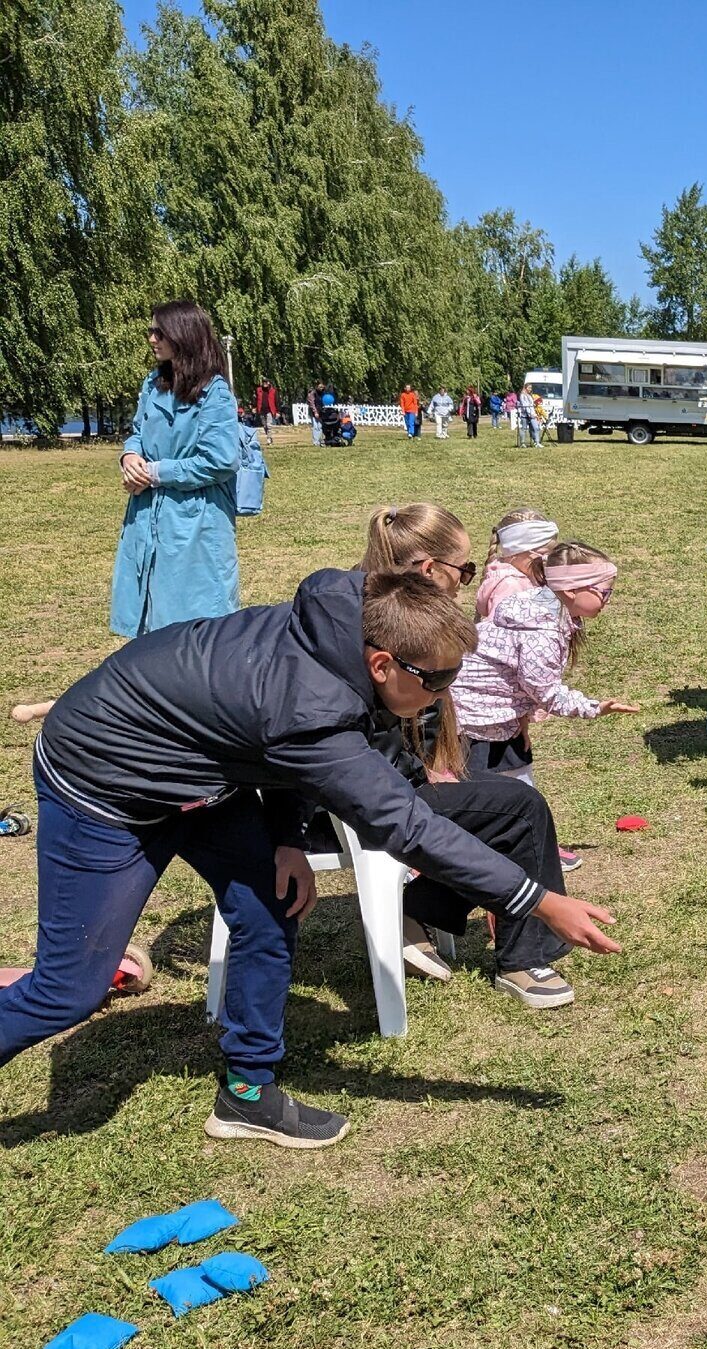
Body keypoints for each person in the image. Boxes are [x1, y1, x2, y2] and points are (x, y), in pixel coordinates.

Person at [2, 567, 619, 1147]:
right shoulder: (313, 712)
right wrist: (537, 899)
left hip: (207, 772)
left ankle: (247, 1093)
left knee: (273, 906)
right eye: (434, 681)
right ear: (382, 663)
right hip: (105, 787)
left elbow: (276, 741)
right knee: (67, 991)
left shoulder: (358, 610)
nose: (442, 695)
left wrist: (287, 837)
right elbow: (404, 824)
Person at [359, 505, 596, 1008]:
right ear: (429, 570)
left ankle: (417, 909)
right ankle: (524, 956)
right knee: (520, 809)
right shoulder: (401, 625)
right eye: (466, 571)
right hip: (368, 789)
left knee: (493, 806)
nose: (471, 584)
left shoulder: (356, 604)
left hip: (368, 779)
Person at [450, 539, 639, 793]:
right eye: (604, 592)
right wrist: (594, 707)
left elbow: (515, 679)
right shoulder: (543, 632)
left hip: (486, 717)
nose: (608, 599)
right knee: (493, 800)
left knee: (516, 793)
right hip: (474, 722)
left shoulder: (537, 606)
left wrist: (521, 720)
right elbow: (545, 692)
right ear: (571, 590)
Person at [113, 300, 242, 639]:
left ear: (182, 335)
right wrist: (129, 458)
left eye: (159, 331)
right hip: (147, 515)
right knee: (152, 620)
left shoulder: (214, 393)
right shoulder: (153, 383)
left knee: (198, 626)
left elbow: (221, 460)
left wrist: (156, 473)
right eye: (151, 330)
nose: (151, 338)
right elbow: (138, 432)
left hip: (197, 520)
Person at [476, 507, 558, 620]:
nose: (548, 559)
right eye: (542, 554)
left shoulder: (528, 577)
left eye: (552, 554)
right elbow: (497, 631)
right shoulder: (509, 586)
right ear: (514, 554)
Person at [517, 381, 543, 449]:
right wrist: (530, 414)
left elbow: (531, 405)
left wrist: (534, 405)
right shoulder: (522, 395)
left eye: (531, 388)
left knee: (536, 428)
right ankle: (522, 443)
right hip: (525, 415)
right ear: (525, 388)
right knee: (524, 429)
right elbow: (525, 406)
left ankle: (537, 442)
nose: (530, 389)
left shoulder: (530, 395)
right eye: (529, 388)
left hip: (532, 415)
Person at [253, 379, 277, 445]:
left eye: (266, 382)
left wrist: (277, 411)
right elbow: (256, 399)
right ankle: (270, 437)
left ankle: (268, 439)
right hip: (261, 410)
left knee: (269, 425)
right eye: (263, 382)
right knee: (264, 425)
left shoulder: (273, 391)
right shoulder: (258, 390)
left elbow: (276, 401)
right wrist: (254, 407)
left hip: (270, 410)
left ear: (269, 383)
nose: (264, 383)